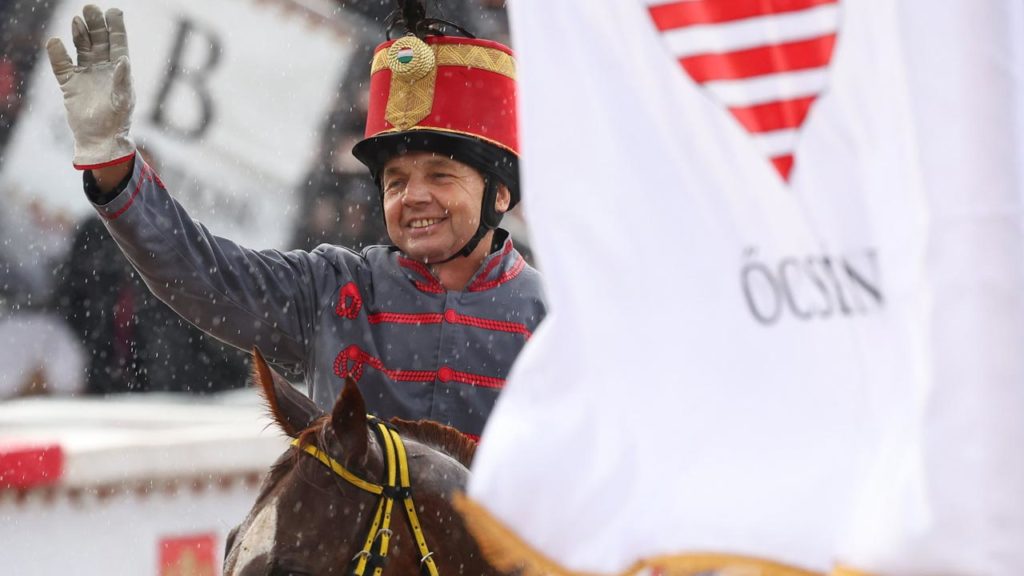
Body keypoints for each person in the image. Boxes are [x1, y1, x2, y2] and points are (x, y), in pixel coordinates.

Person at [45, 3, 546, 438]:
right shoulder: (331, 288)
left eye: (439, 176)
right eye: (395, 181)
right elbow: (197, 271)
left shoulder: (553, 320)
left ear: (499, 194)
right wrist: (112, 164)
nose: (413, 197)